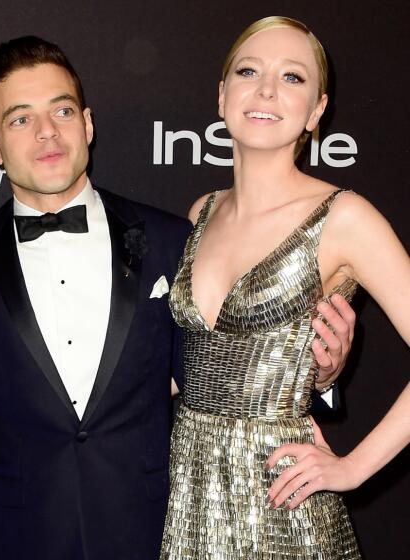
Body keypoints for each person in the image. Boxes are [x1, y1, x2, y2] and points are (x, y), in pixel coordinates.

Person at [0, 36, 354, 560]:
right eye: (20, 119)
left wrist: (319, 377)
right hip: (23, 535)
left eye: (62, 110)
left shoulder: (172, 239)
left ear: (88, 125)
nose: (47, 132)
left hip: (157, 530)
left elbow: (218, 369)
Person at [160, 16, 410, 559]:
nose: (267, 89)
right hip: (189, 499)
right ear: (224, 96)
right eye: (249, 71)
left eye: (293, 77)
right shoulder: (202, 212)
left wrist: (352, 468)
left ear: (317, 110)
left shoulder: (343, 217)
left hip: (282, 505)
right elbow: (189, 367)